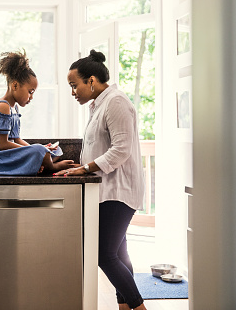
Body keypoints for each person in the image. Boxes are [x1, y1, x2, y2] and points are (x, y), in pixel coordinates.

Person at [54, 50, 147, 310]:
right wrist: (81, 165)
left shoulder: (116, 102)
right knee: (118, 253)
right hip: (108, 189)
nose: (73, 92)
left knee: (104, 255)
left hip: (119, 190)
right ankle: (124, 306)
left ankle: (138, 307)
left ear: (91, 81)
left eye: (75, 85)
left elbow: (121, 149)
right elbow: (103, 145)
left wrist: (86, 169)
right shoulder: (100, 104)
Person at [0, 50, 75, 176]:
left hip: (7, 155)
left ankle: (42, 162)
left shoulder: (13, 108)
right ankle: (51, 167)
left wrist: (39, 150)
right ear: (15, 86)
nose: (31, 97)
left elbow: (17, 139)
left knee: (53, 149)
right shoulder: (2, 106)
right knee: (40, 150)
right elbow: (3, 145)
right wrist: (36, 151)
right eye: (30, 92)